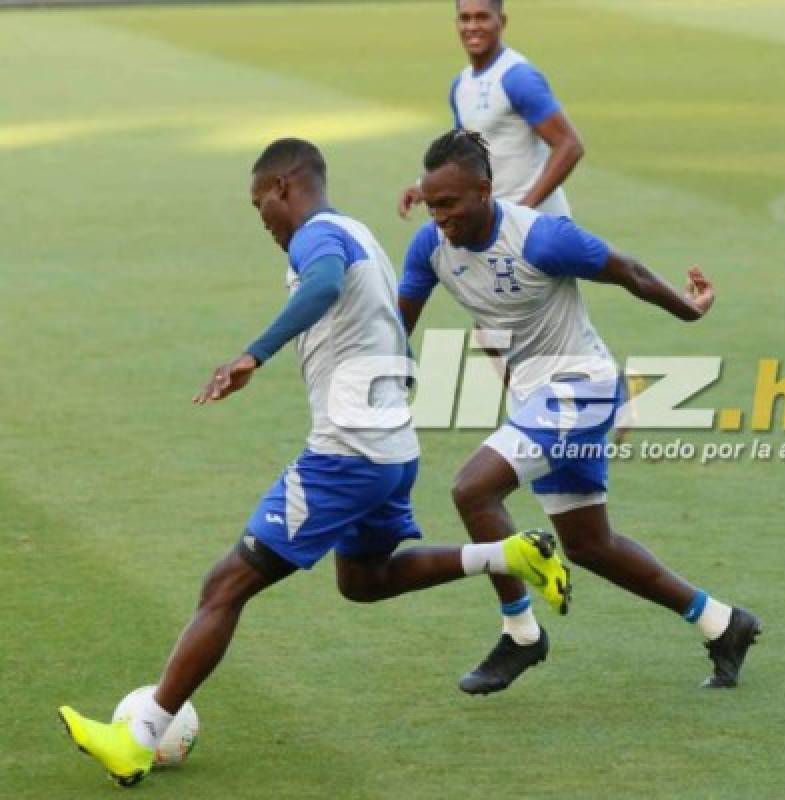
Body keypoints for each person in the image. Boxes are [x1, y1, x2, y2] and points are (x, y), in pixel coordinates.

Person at [57, 138, 570, 788]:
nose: (263, 222)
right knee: (363, 580)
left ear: (283, 188)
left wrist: (254, 354)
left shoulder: (315, 239)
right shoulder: (359, 232)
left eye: (259, 206)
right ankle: (509, 555)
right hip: (390, 449)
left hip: (345, 455)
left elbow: (324, 284)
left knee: (224, 586)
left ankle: (139, 736)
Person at [398, 130, 761, 695]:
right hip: (536, 400)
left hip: (582, 389)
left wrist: (689, 311)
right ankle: (722, 621)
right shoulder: (430, 248)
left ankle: (521, 633)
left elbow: (631, 273)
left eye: (449, 203)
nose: (439, 217)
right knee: (590, 546)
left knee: (472, 489)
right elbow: (401, 320)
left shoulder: (541, 238)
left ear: (486, 190)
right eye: (431, 204)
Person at [398, 0, 583, 220]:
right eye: (465, 18)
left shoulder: (518, 78)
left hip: (540, 224)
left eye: (482, 17)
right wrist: (422, 187)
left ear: (501, 22)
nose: (472, 26)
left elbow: (570, 145)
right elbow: (462, 150)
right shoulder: (461, 84)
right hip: (498, 224)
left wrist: (525, 209)